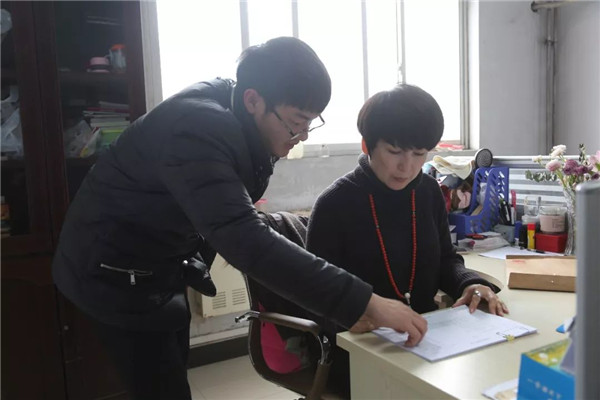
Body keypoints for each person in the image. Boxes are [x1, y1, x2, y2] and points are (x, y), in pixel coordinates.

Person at [51, 37, 427, 400]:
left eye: (311, 123)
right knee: (161, 386)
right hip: (110, 271)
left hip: (158, 268)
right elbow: (243, 237)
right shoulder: (196, 129)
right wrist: (364, 302)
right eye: (296, 122)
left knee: (169, 373)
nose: (302, 136)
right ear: (253, 100)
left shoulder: (237, 116)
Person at [306, 84, 509, 395]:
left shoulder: (428, 193)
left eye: (419, 154)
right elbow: (315, 297)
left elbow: (445, 259)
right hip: (357, 348)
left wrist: (468, 283)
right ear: (367, 145)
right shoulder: (335, 204)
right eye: (394, 151)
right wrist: (364, 316)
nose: (408, 166)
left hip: (425, 339)